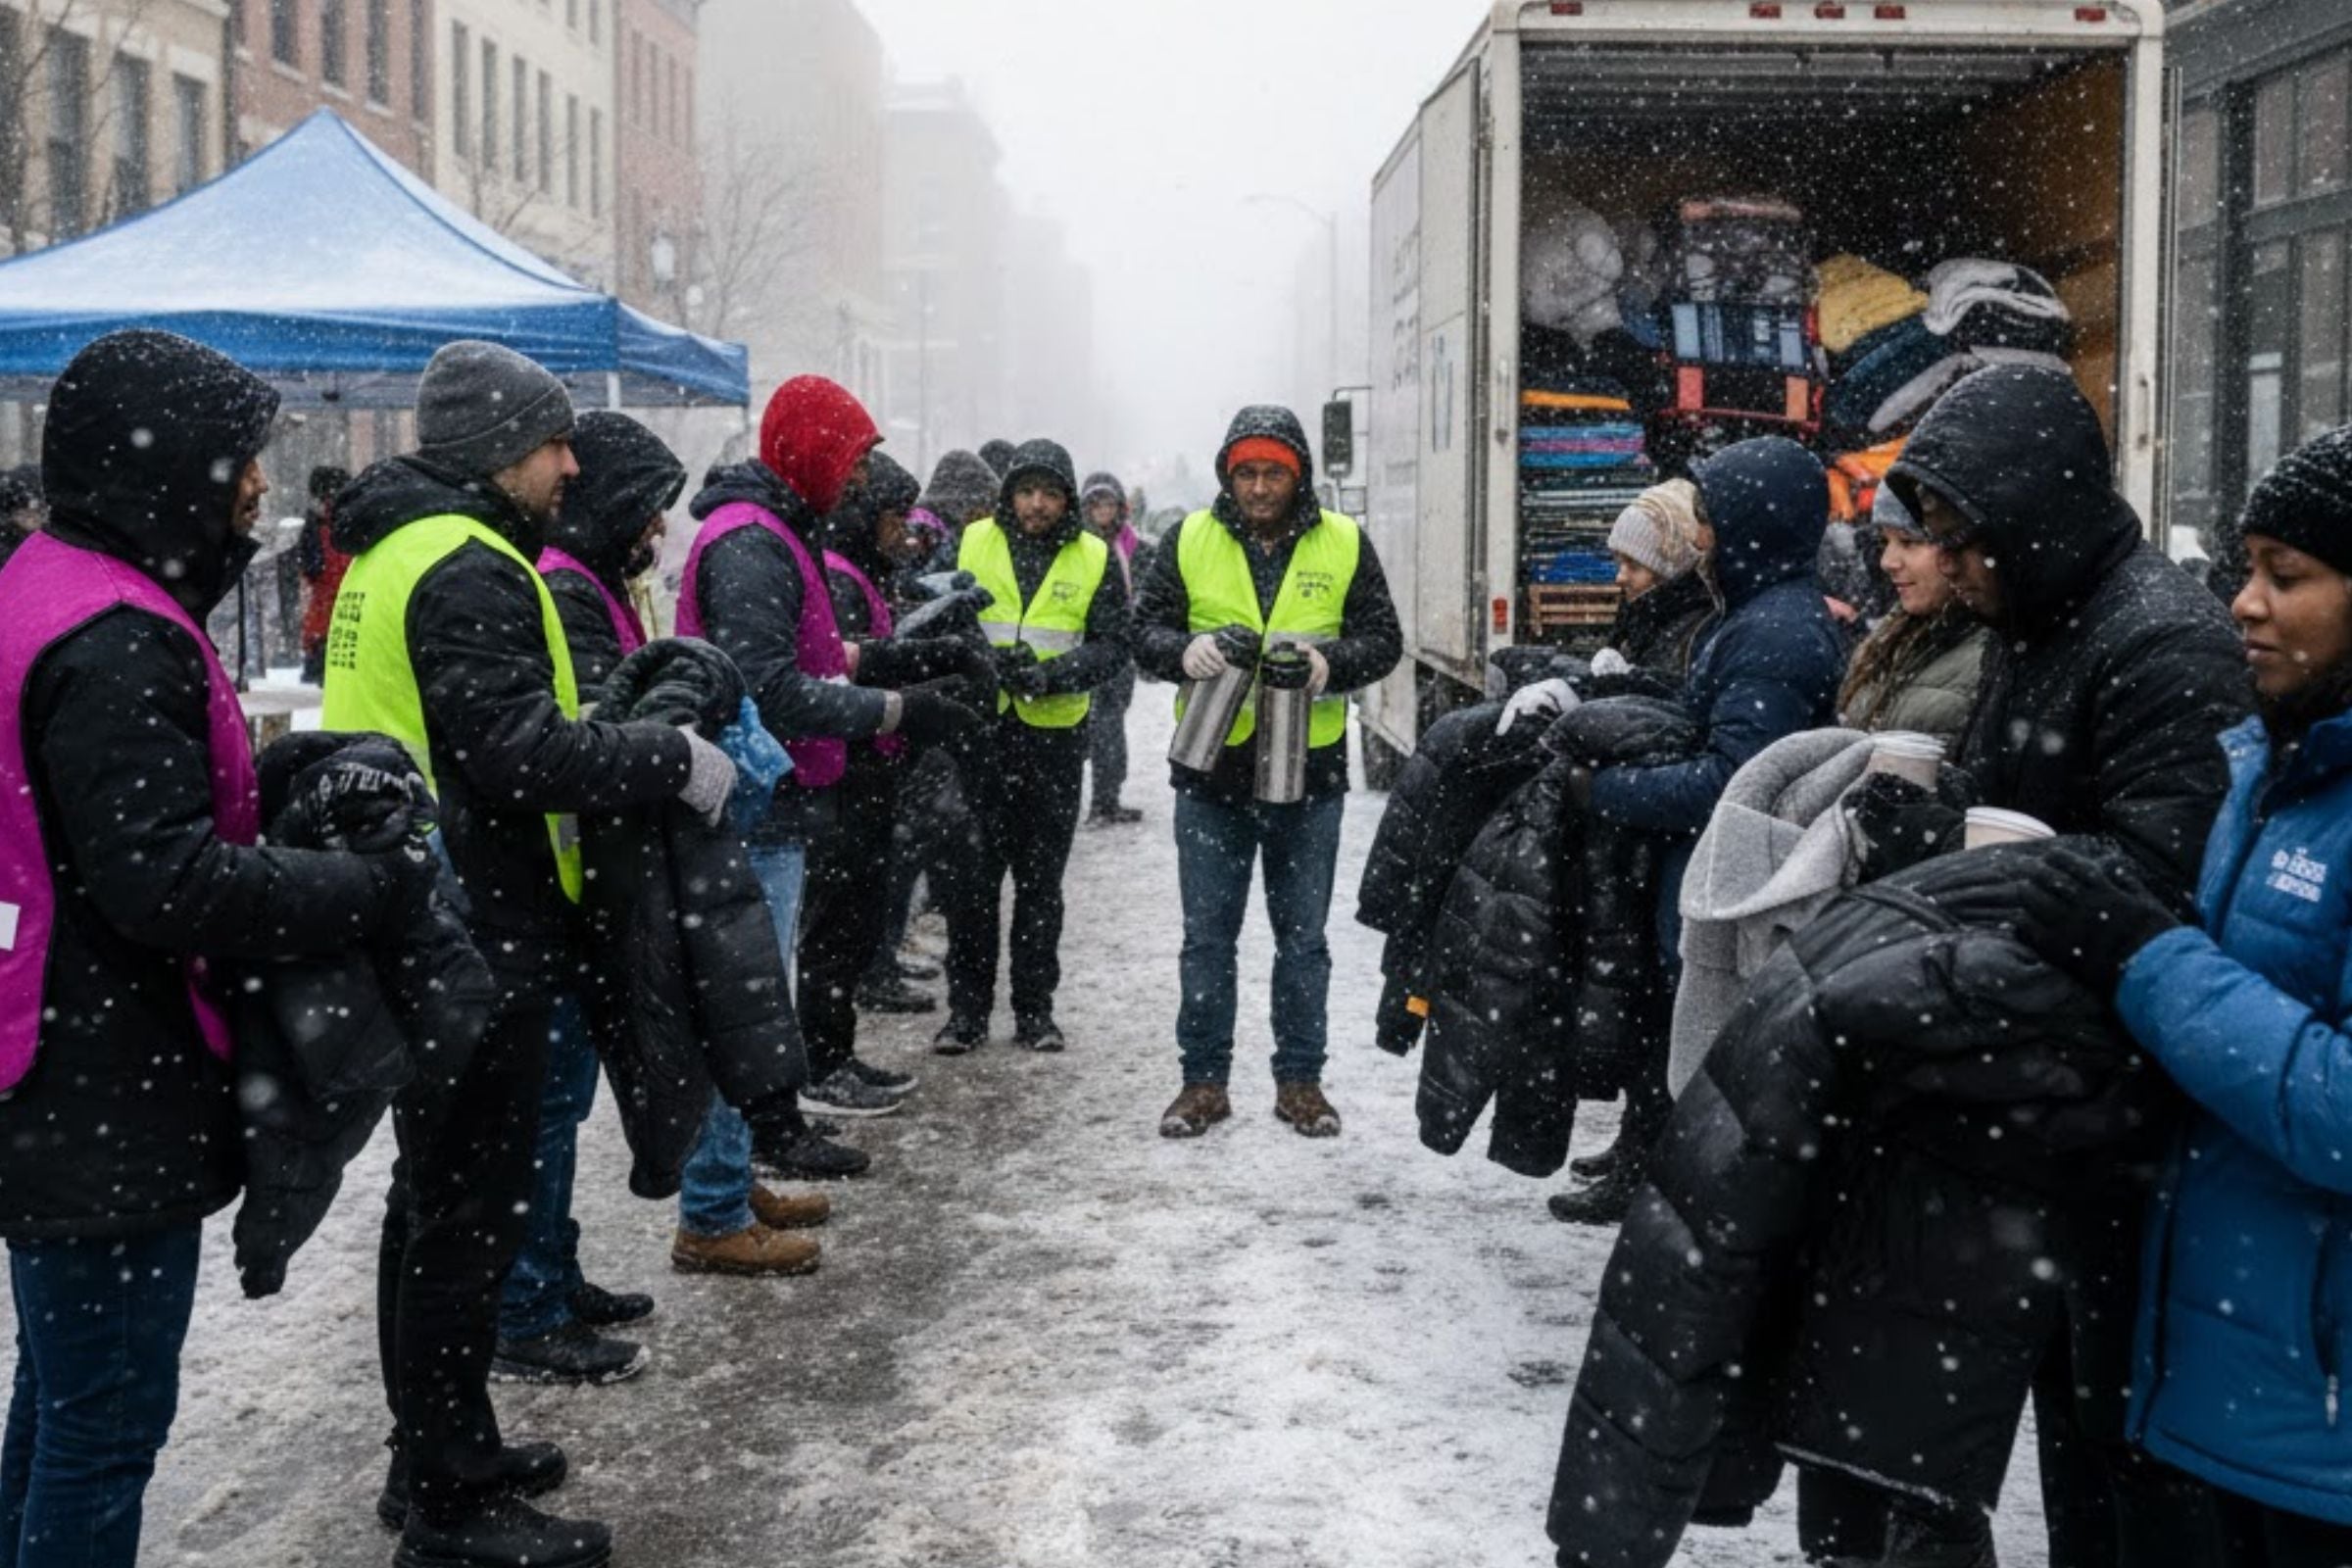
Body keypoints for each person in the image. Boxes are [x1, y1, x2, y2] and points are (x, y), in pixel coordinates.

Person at [0, 330, 414, 1568]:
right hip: (102, 1084)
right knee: (105, 1422)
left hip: (55, 1060)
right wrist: (361, 888)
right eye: (240, 458)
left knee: (63, 1397)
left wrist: (273, 769)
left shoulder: (47, 581)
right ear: (169, 461)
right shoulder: (118, 631)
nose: (255, 487)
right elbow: (161, 879)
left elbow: (106, 813)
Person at [1829, 364, 2252, 1567]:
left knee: (2123, 1439)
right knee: (2071, 1410)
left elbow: (2165, 892)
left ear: (2034, 515)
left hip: (2129, 1122)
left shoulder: (2162, 644)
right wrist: (1938, 810)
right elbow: (2026, 801)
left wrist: (1958, 843)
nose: (1947, 566)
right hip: (2052, 1099)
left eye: (1965, 540)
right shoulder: (2040, 619)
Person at [322, 340, 729, 1566]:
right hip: (469, 930)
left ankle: (436, 1453)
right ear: (501, 448)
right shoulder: (467, 562)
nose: (569, 463)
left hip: (422, 916)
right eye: (555, 441)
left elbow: (479, 738)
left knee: (432, 1203)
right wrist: (665, 756)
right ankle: (451, 1500)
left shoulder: (394, 550)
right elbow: (511, 757)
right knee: (462, 1216)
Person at [2011, 426, 2352, 1568]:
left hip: (2321, 1423)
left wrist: (2145, 956)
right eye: (2248, 566)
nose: (2243, 604)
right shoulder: (2275, 771)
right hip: (2235, 1385)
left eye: (2286, 576)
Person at [672, 376, 979, 1266]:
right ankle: (714, 1214)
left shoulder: (776, 534)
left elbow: (812, 652)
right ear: (807, 453)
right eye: (847, 460)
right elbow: (769, 686)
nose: (856, 481)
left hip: (776, 806)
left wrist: (905, 660)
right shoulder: (751, 542)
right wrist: (896, 709)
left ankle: (726, 1183)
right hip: (753, 811)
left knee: (751, 1007)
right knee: (738, 1013)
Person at [1548, 435, 1846, 1225]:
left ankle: (1662, 1175)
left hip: (1720, 878)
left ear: (1755, 525)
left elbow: (1730, 782)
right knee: (1662, 1019)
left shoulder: (1774, 632)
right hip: (1697, 874)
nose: (1701, 537)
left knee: (1691, 1031)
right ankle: (1642, 1153)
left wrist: (1605, 789)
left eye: (1712, 520)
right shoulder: (1751, 615)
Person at [486, 411, 713, 1389]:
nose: (656, 532)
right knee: (542, 1107)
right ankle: (527, 1302)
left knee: (563, 1101)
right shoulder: (569, 589)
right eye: (648, 511)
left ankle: (554, 1268)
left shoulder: (595, 582)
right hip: (557, 882)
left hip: (580, 880)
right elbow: (596, 721)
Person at [1131, 406, 1401, 1139]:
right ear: (1227, 474)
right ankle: (1203, 1082)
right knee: (1208, 939)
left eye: (1272, 473)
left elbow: (1383, 640)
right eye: (1245, 473)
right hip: (1211, 772)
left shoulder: (1342, 540)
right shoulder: (1190, 536)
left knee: (1303, 940)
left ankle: (1301, 1082)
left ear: (1298, 474)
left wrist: (1328, 663)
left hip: (1306, 777)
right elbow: (1141, 631)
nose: (1257, 488)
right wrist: (1183, 650)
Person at [933, 439, 1133, 1054]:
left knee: (1041, 883)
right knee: (973, 883)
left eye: (1049, 493)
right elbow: (937, 614)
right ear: (1008, 494)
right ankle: (966, 1012)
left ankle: (1034, 1010)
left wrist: (1053, 674)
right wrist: (980, 660)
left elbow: (1110, 646)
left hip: (1053, 739)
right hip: (981, 734)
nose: (1037, 504)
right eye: (1026, 491)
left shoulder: (1094, 555)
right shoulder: (971, 540)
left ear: (1068, 499)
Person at [797, 449, 941, 1096]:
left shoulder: (861, 571)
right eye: (892, 517)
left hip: (867, 776)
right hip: (845, 781)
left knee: (852, 925)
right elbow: (849, 673)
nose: (903, 532)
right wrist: (918, 668)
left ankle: (837, 1051)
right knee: (835, 930)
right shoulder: (841, 578)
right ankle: (823, 1061)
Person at [1835, 482, 1988, 740]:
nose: (1887, 562)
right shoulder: (1899, 632)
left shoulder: (1993, 654)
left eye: (1909, 541)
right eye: (1885, 541)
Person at [1080, 471, 1146, 825]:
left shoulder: (1132, 545)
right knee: (1100, 725)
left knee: (1112, 721)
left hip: (1123, 648)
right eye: (1095, 503)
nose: (1102, 510)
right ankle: (1100, 802)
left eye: (1108, 503)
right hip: (1089, 648)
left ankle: (1109, 797)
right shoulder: (1077, 546)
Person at [296, 464, 350, 685]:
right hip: (341, 623)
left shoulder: (317, 526)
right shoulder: (348, 524)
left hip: (324, 624)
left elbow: (310, 571)